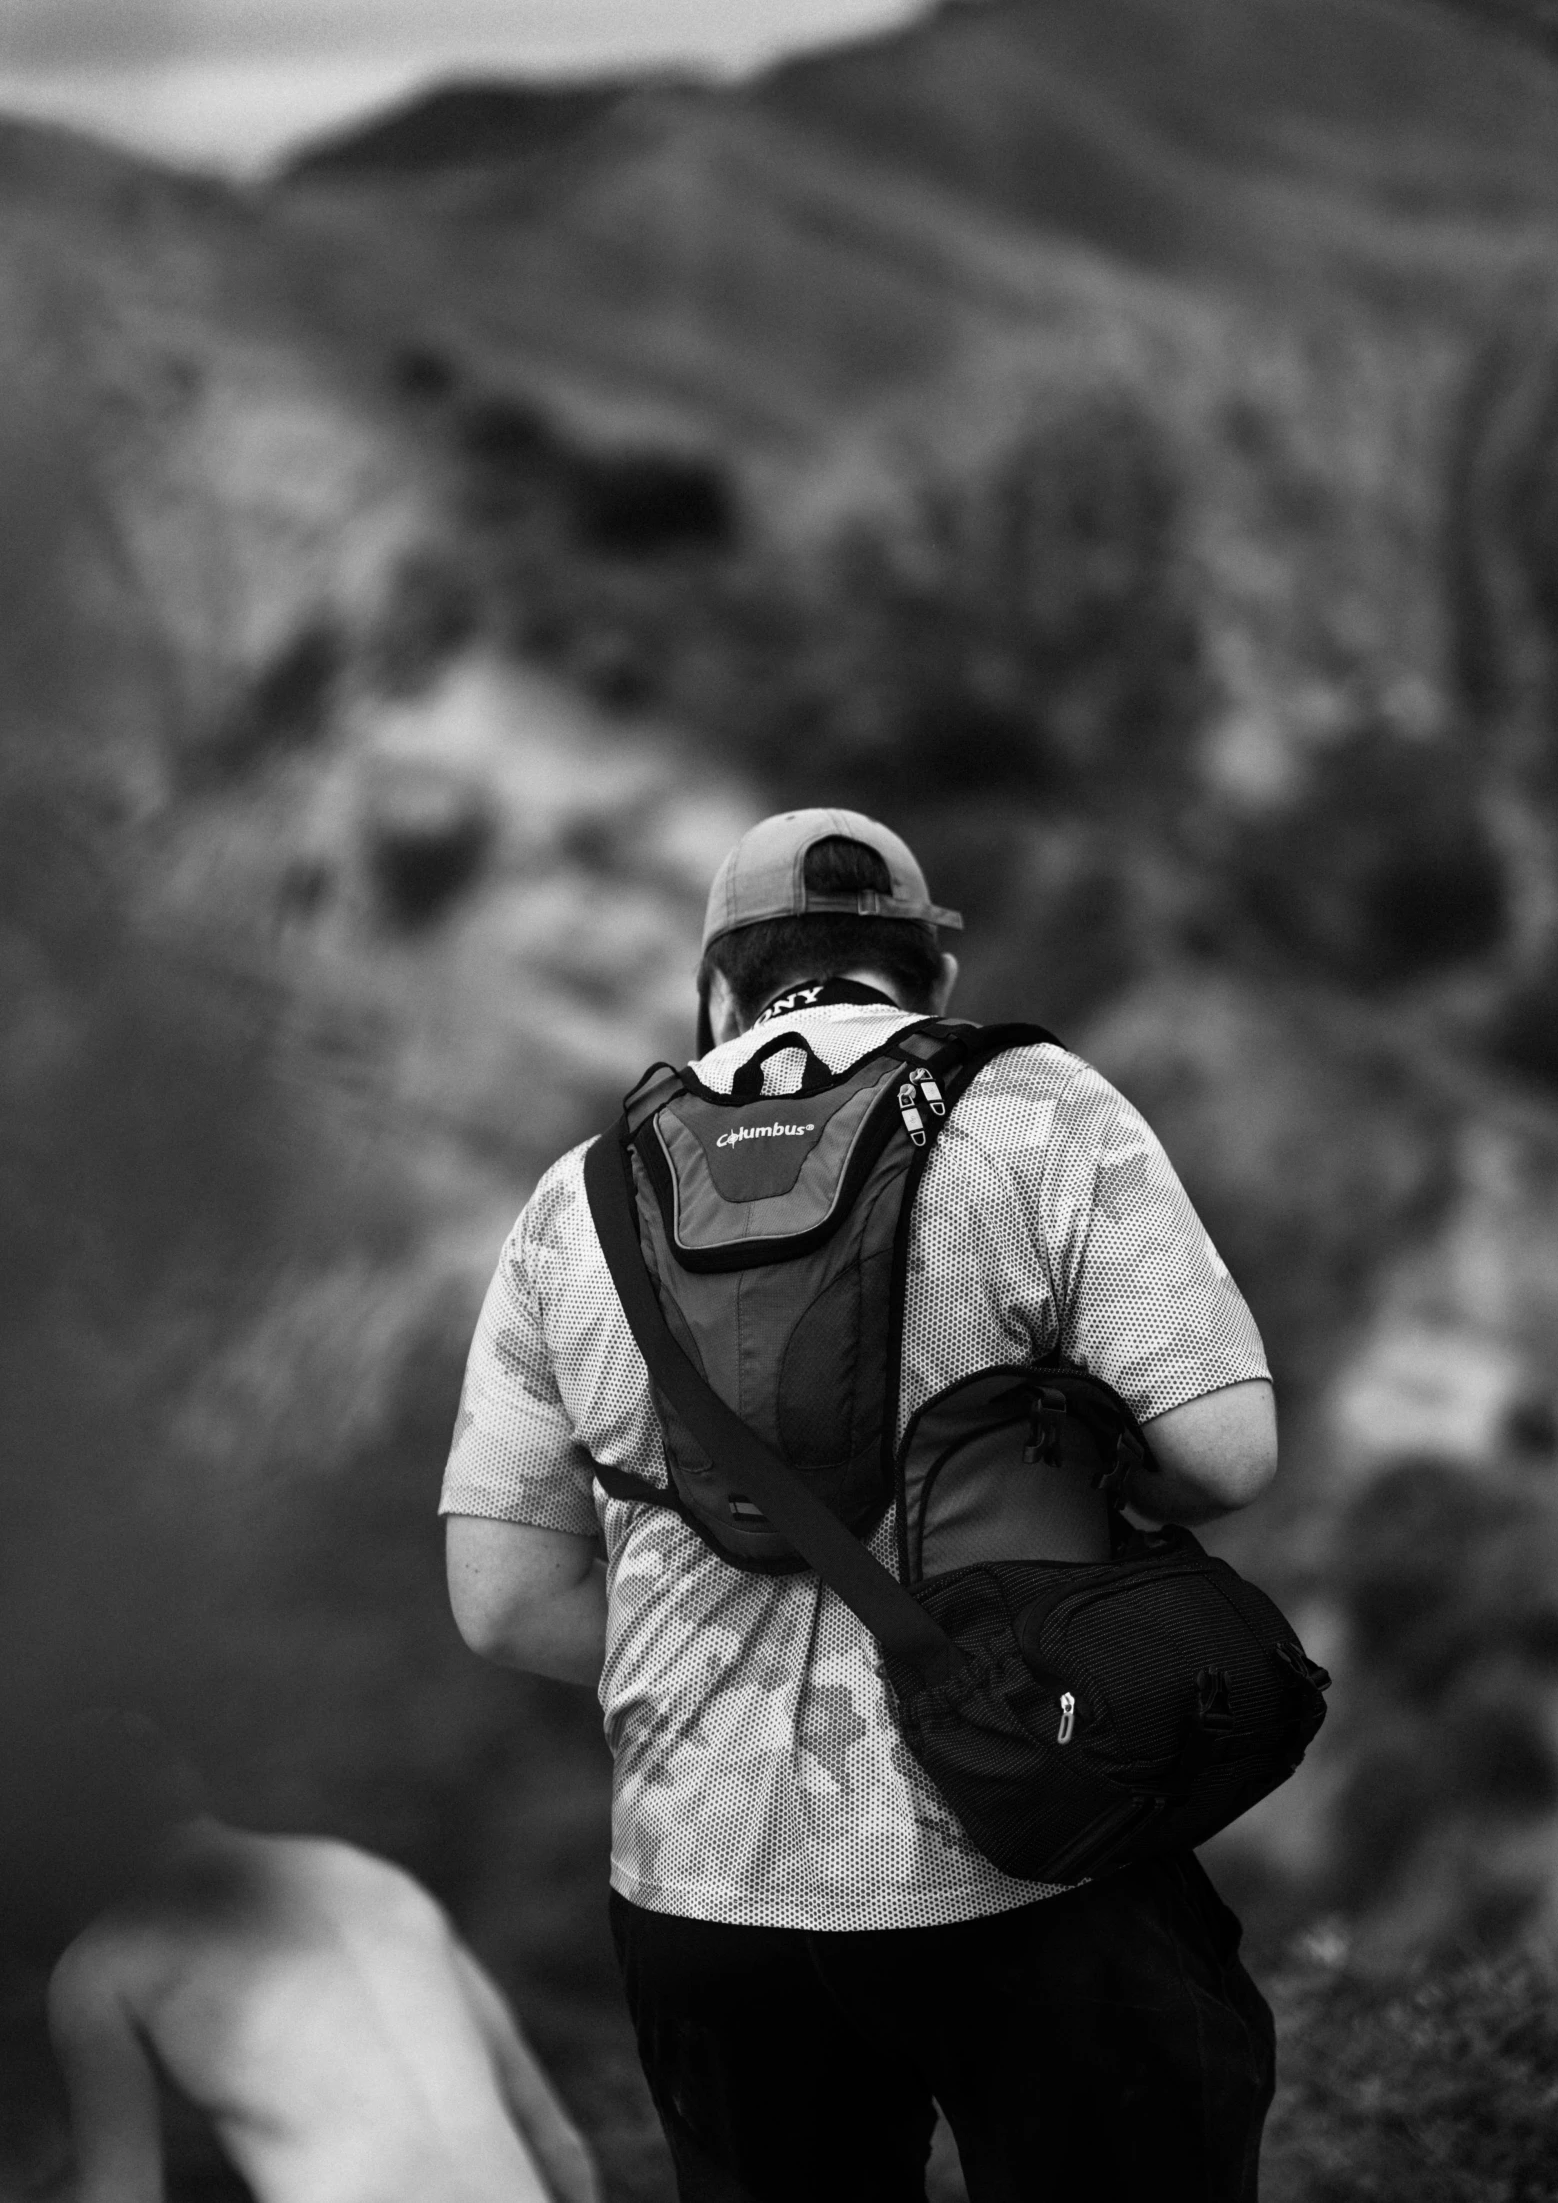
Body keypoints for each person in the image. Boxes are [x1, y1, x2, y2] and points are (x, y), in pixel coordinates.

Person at [443, 805, 1279, 2203]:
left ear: (717, 990)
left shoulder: (571, 1201)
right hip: (1022, 1843)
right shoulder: (1039, 1110)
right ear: (927, 980)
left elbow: (505, 1598)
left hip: (701, 1890)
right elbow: (1223, 1454)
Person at [38, 1715, 601, 2203]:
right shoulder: (372, 1879)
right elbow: (560, 2146)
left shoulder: (103, 1967)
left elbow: (125, 2193)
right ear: (184, 1778)